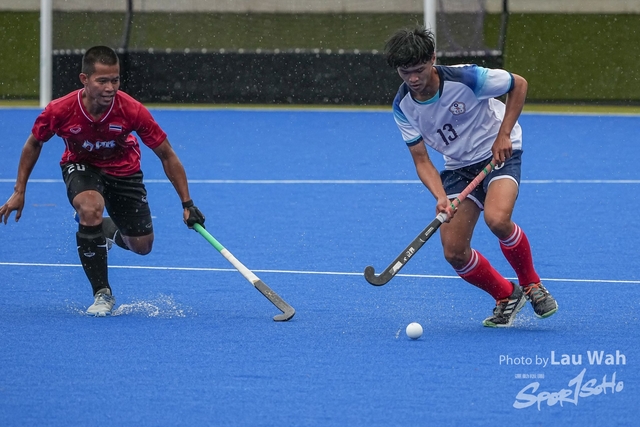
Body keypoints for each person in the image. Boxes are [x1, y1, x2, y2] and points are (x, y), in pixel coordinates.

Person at [0, 46, 205, 317]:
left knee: (142, 246)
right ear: (84, 79)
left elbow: (166, 154)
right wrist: (19, 190)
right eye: (102, 81)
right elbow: (33, 143)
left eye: (115, 80)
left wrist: (187, 203)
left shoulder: (131, 110)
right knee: (89, 208)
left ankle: (104, 230)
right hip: (81, 166)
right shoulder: (60, 110)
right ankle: (102, 293)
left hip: (124, 171)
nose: (110, 88)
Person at [383, 26, 558, 327]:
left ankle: (531, 283)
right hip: (458, 168)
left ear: (433, 59)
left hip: (497, 154)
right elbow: (422, 160)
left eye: (419, 70)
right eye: (405, 72)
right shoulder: (403, 106)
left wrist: (504, 134)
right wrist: (440, 197)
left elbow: (518, 84)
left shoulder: (466, 78)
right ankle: (506, 295)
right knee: (454, 252)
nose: (413, 79)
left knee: (497, 219)